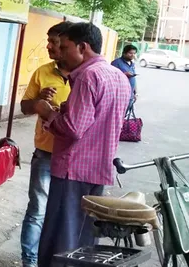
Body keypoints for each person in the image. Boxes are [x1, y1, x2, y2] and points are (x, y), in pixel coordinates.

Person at [33, 22, 131, 267]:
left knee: (61, 237)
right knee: (83, 235)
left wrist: (48, 114)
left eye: (65, 47)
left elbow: (74, 128)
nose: (61, 53)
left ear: (83, 47)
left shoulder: (87, 76)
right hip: (98, 168)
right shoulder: (118, 76)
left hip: (73, 170)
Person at [19, 21, 72, 267]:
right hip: (45, 154)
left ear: (69, 45)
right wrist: (38, 101)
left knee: (65, 214)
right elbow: (25, 107)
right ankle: (30, 261)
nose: (49, 47)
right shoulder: (42, 72)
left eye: (54, 42)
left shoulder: (85, 75)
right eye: (48, 41)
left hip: (73, 157)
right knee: (37, 210)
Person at [111, 44, 138, 111]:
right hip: (119, 96)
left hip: (130, 95)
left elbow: (133, 79)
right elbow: (111, 77)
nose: (132, 55)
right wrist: (124, 74)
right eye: (130, 53)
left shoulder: (132, 64)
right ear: (124, 53)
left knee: (124, 116)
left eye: (134, 53)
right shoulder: (116, 63)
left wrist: (136, 93)